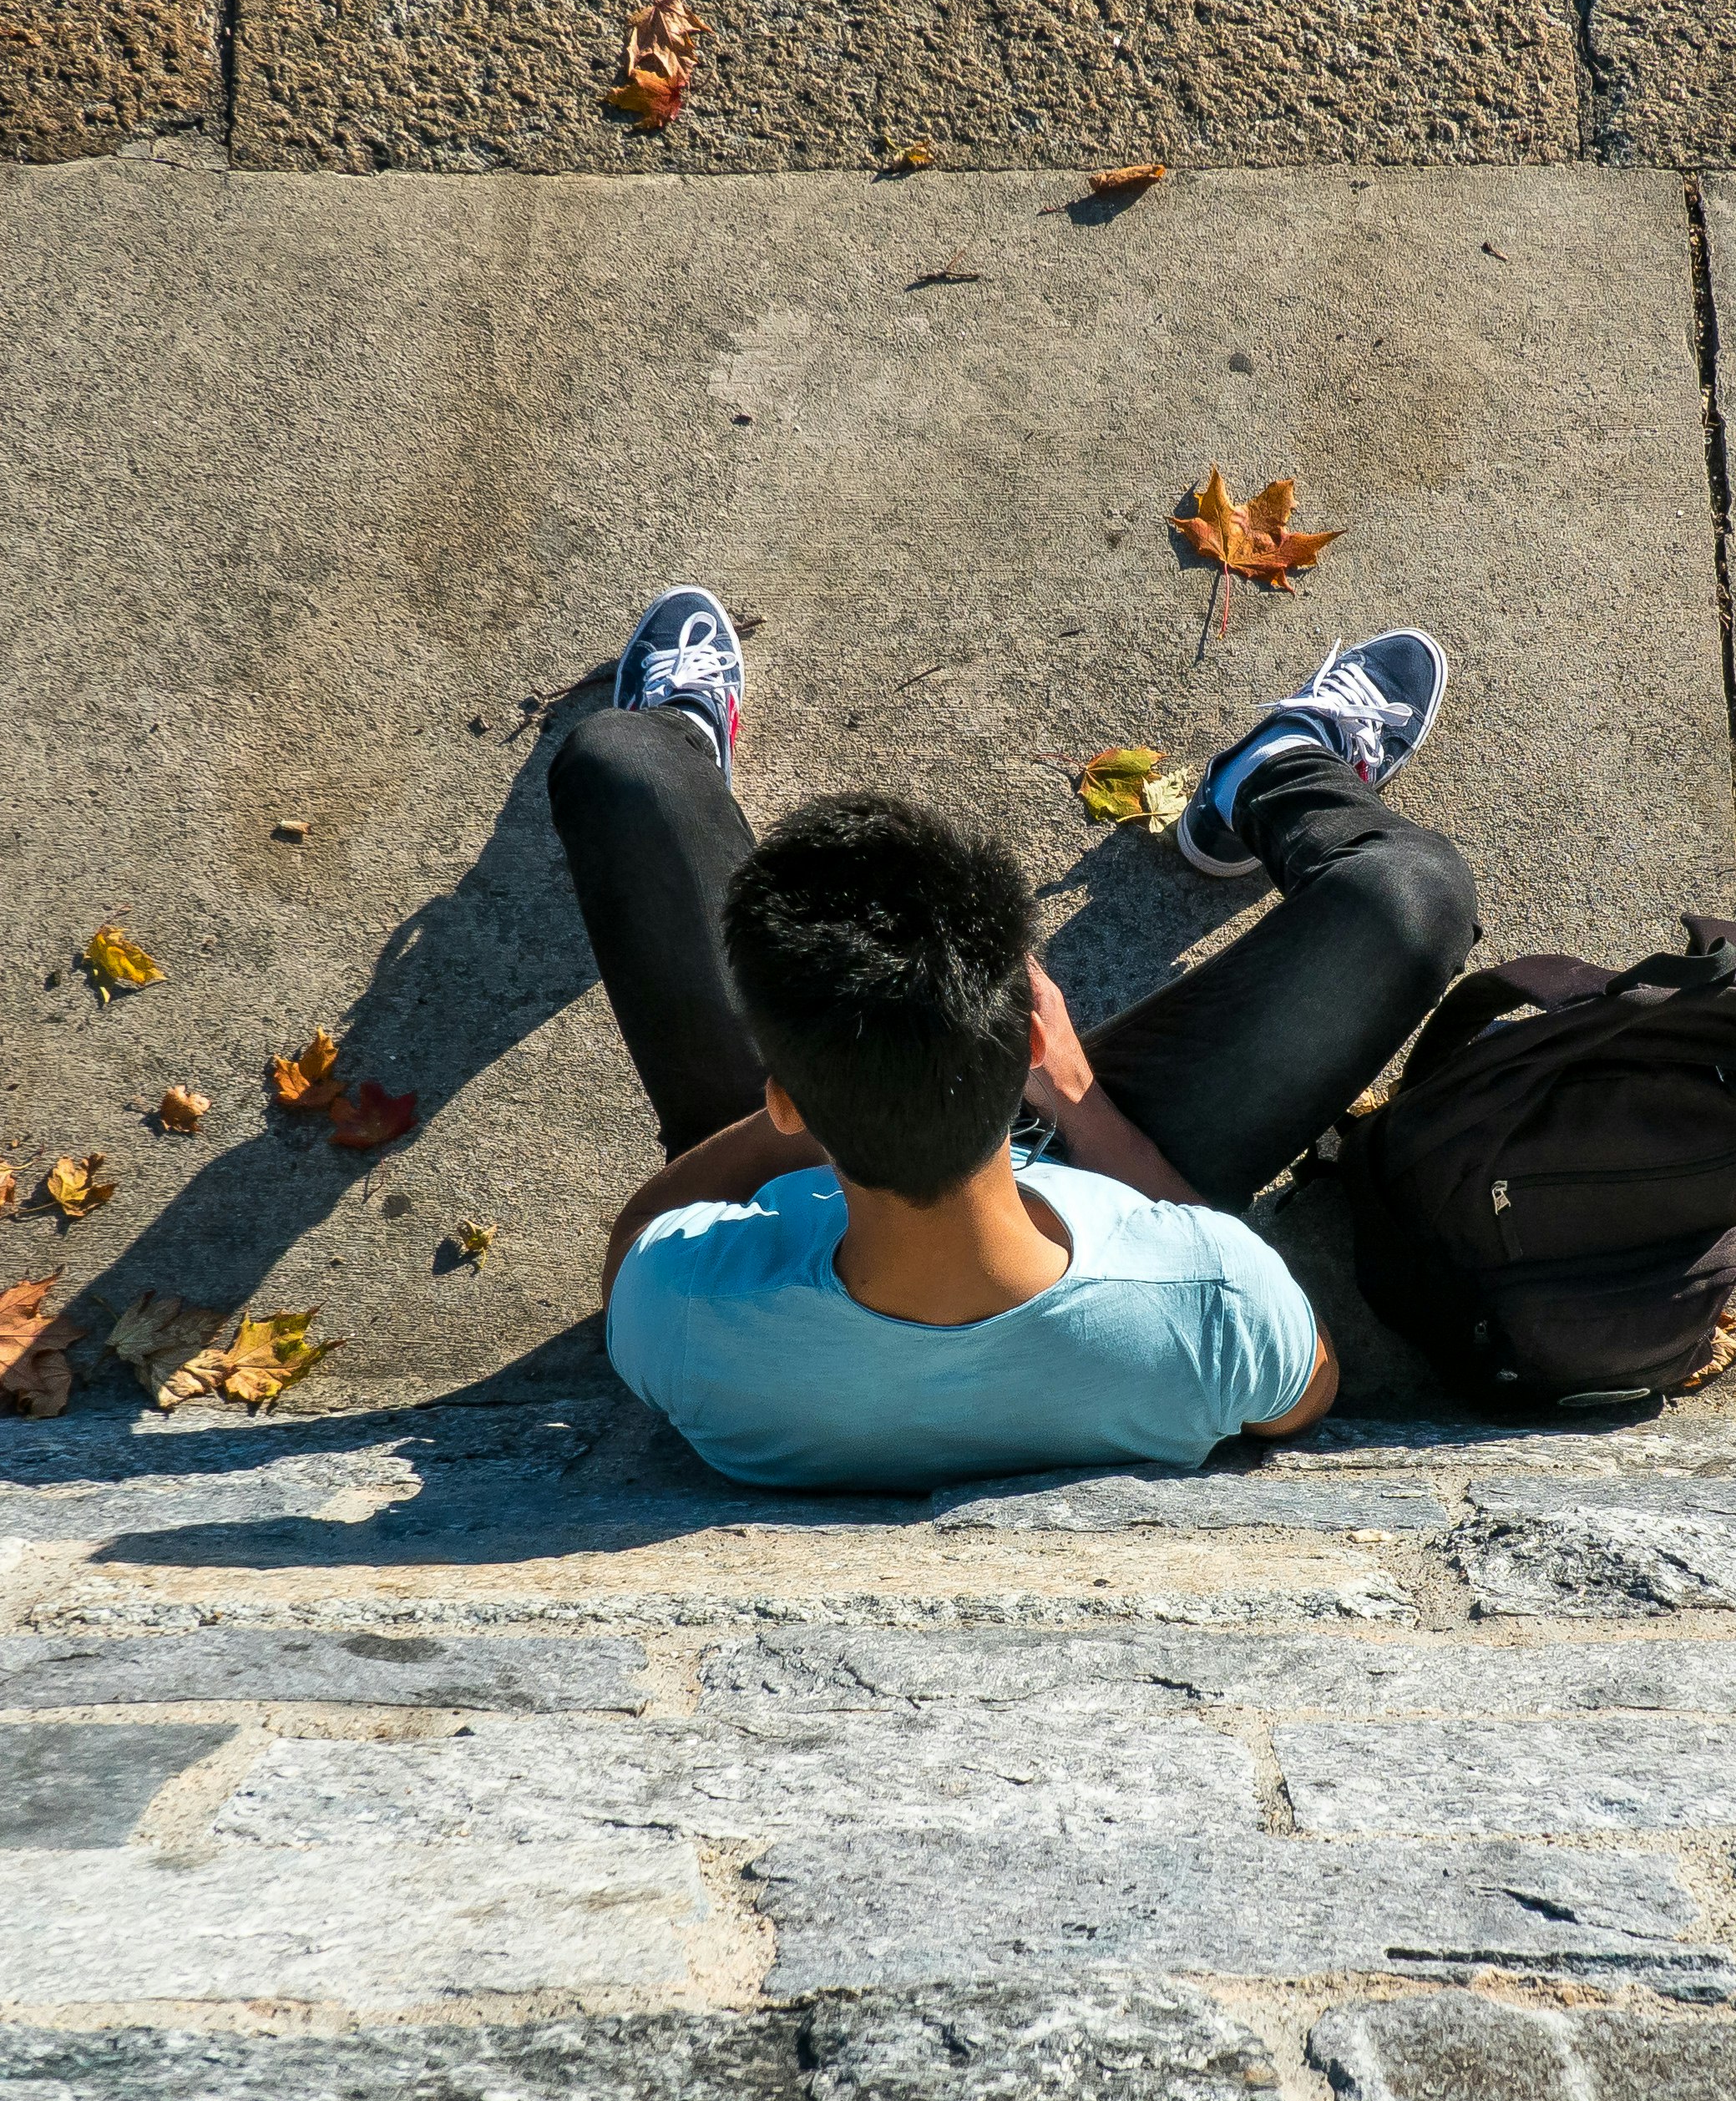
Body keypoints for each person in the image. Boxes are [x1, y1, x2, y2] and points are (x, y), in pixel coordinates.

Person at [551, 582, 1480, 1490]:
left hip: (816, 1143)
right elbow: (1305, 1394)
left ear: (783, 1098)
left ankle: (681, 732)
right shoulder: (1219, 1300)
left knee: (616, 759)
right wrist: (1079, 1100)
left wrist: (828, 1075)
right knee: (1412, 900)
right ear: (1035, 1038)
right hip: (1086, 1145)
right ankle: (1274, 770)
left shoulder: (684, 1314)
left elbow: (636, 1238)